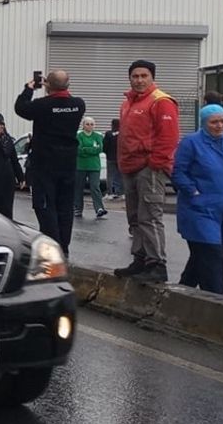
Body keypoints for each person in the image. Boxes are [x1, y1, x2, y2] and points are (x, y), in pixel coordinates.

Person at [114, 60, 181, 283]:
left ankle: (157, 263)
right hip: (130, 166)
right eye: (135, 76)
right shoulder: (128, 103)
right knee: (134, 217)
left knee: (150, 216)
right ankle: (140, 259)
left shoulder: (161, 101)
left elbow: (168, 137)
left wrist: (155, 163)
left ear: (152, 78)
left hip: (148, 168)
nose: (139, 80)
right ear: (129, 78)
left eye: (144, 76)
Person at [14, 69, 85, 255]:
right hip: (68, 164)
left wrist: (29, 88)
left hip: (45, 163)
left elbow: (20, 107)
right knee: (65, 207)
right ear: (68, 85)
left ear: (47, 86)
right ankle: (65, 247)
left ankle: (53, 246)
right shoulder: (78, 105)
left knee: (45, 205)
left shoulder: (42, 105)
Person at [171, 105, 223, 294]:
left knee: (200, 258)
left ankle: (181, 292)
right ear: (204, 123)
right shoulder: (191, 143)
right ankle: (216, 301)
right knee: (212, 255)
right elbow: (178, 172)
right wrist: (193, 192)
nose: (219, 126)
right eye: (214, 122)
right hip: (199, 210)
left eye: (222, 121)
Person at [74, 117, 107, 219]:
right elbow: (78, 150)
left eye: (92, 124)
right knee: (79, 187)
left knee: (95, 187)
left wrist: (86, 150)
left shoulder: (98, 136)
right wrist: (91, 150)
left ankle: (99, 208)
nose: (90, 126)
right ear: (83, 125)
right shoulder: (78, 136)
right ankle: (78, 208)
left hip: (94, 166)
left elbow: (100, 148)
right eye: (87, 124)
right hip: (81, 165)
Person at [104, 119, 123, 199]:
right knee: (121, 176)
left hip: (110, 158)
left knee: (110, 176)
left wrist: (106, 152)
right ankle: (121, 193)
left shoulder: (108, 134)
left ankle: (110, 193)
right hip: (120, 158)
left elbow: (104, 146)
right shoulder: (122, 133)